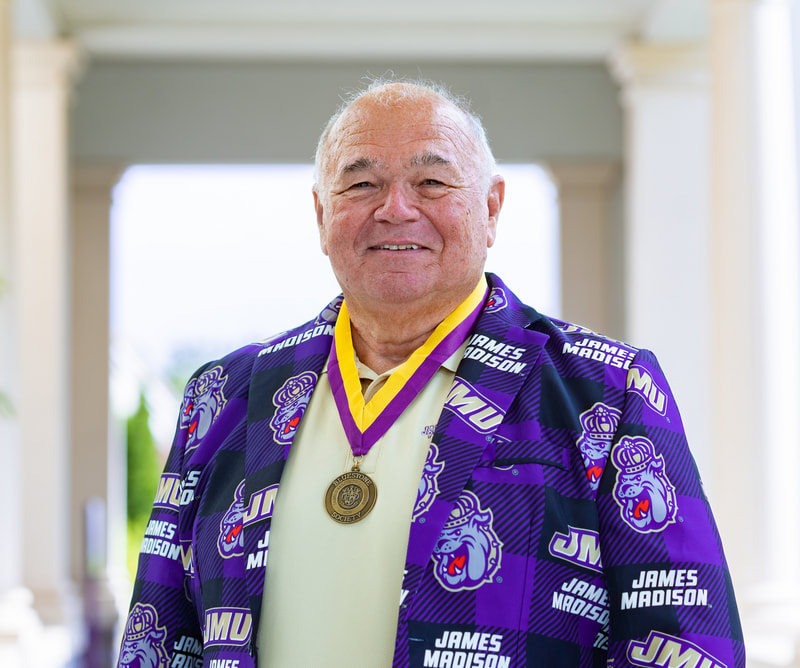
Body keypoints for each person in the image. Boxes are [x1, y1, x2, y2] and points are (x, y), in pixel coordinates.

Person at [119, 79, 745, 668]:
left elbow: (689, 644)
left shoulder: (605, 392)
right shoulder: (225, 396)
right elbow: (158, 638)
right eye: (361, 183)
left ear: (491, 208)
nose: (395, 208)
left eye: (431, 181)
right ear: (321, 215)